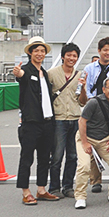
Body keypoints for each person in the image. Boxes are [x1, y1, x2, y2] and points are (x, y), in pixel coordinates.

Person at [14, 36, 59, 205]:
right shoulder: (26, 70)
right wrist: (18, 74)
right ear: (30, 53)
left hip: (47, 122)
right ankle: (26, 191)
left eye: (42, 51)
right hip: (31, 122)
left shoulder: (44, 73)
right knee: (27, 157)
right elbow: (21, 76)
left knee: (44, 158)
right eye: (36, 51)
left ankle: (41, 189)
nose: (40, 53)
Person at [74, 76, 109, 209]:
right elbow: (82, 122)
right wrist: (85, 142)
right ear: (104, 89)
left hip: (105, 139)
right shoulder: (93, 102)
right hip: (86, 138)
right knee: (84, 166)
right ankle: (80, 196)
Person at [48, 42, 87, 198]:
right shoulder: (51, 73)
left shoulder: (79, 75)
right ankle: (54, 187)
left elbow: (83, 102)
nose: (72, 58)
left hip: (75, 119)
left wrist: (83, 87)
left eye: (74, 56)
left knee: (73, 156)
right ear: (63, 56)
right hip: (58, 119)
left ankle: (68, 186)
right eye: (69, 55)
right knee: (57, 155)